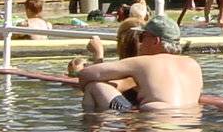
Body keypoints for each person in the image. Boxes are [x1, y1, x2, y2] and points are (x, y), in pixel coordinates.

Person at [67, 15, 202, 112]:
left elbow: (86, 74)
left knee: (94, 87)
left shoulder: (144, 62)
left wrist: (98, 55)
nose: (140, 43)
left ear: (156, 41)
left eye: (142, 37)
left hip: (154, 126)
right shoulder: (193, 64)